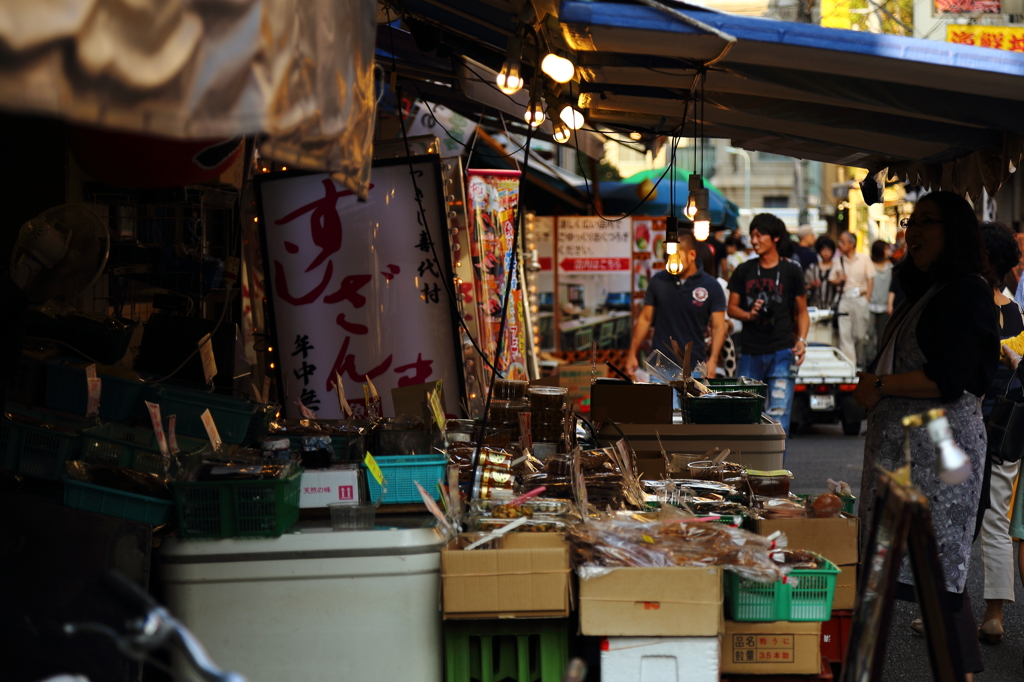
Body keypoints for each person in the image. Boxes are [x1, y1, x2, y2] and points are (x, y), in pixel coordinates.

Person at [854, 191, 999, 679]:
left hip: (940, 450)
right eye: (909, 220)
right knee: (884, 575)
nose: (912, 231)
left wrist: (877, 386)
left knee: (941, 579)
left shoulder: (966, 291)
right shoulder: (929, 289)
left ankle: (961, 673)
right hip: (904, 451)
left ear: (953, 230)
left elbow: (948, 377)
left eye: (927, 222)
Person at [975, 222, 1024, 644]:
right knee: (996, 519)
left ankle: (944, 608)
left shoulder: (965, 303)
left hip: (961, 424)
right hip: (1006, 425)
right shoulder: (1013, 309)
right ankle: (993, 615)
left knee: (947, 515)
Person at [727, 213, 809, 438]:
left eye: (759, 234)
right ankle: (748, 472)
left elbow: (803, 312)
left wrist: (801, 341)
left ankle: (775, 472)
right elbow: (731, 308)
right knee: (745, 416)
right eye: (751, 235)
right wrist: (749, 314)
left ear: (775, 237)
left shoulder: (792, 270)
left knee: (779, 415)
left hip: (783, 350)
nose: (754, 240)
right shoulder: (744, 270)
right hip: (750, 352)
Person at [626, 231, 728, 378]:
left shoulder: (711, 285)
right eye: (668, 258)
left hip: (694, 367)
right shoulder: (658, 281)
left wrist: (713, 359)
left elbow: (718, 326)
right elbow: (645, 319)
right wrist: (632, 353)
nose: (670, 263)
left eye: (675, 257)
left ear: (692, 255)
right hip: (659, 367)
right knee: (662, 402)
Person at [833, 231, 875, 369]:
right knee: (845, 334)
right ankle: (850, 365)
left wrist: (867, 298)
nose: (840, 245)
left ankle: (860, 362)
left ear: (852, 244)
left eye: (843, 242)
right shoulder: (838, 260)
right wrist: (839, 280)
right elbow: (832, 279)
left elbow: (870, 279)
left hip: (860, 299)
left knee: (861, 336)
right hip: (845, 299)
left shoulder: (864, 258)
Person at [804, 235, 842, 345]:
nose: (826, 253)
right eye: (823, 250)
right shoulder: (813, 268)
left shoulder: (838, 267)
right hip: (814, 308)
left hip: (831, 308)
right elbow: (804, 287)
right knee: (813, 338)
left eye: (829, 250)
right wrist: (811, 285)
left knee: (829, 339)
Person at [867, 240, 893, 361]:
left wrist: (890, 304)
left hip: (884, 307)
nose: (888, 251)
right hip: (869, 305)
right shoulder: (869, 266)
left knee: (882, 335)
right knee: (869, 334)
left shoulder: (891, 267)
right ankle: (869, 361)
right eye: (886, 249)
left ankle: (880, 361)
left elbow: (892, 288)